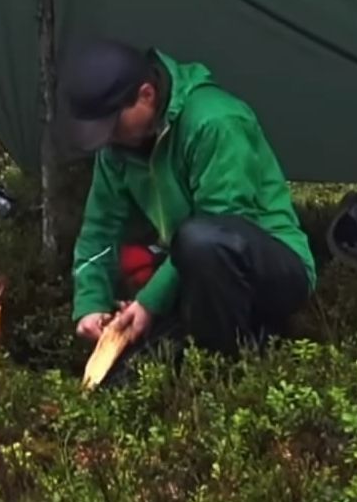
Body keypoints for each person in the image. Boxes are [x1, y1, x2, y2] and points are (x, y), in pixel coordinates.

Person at [58, 38, 317, 359]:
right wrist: (90, 303)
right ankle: (199, 343)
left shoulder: (216, 122)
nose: (108, 136)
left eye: (112, 124)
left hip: (273, 267)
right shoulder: (117, 148)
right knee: (126, 374)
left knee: (202, 239)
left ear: (146, 95)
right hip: (193, 270)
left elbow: (227, 223)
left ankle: (230, 361)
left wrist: (151, 301)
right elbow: (99, 230)